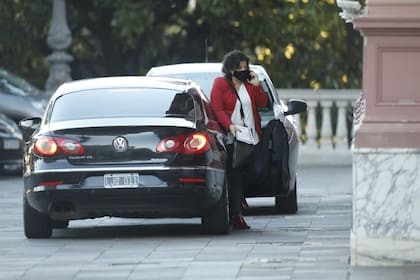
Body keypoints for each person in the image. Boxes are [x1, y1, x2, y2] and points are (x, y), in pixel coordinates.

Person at [210, 50, 268, 230]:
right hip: (234, 139)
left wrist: (257, 85)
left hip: (253, 136)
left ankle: (240, 195)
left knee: (258, 171)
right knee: (235, 174)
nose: (242, 70)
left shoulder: (249, 85)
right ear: (230, 68)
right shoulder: (220, 84)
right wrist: (229, 126)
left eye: (245, 67)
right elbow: (217, 108)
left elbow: (263, 103)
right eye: (239, 67)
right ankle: (237, 215)